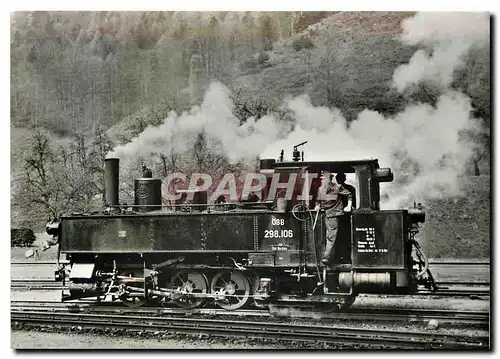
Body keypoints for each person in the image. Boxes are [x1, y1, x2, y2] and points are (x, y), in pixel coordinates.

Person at [316, 172, 353, 266]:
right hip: (327, 214)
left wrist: (349, 206)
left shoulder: (337, 187)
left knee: (331, 237)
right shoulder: (320, 189)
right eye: (321, 179)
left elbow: (349, 195)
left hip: (335, 214)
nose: (322, 180)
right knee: (331, 236)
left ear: (329, 179)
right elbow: (318, 201)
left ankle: (327, 258)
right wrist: (317, 206)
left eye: (324, 179)